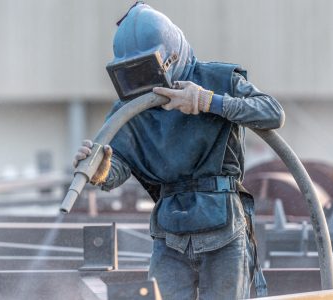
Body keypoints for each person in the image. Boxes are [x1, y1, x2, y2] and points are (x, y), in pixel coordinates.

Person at [73, 3, 284, 299]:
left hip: (223, 225)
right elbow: (120, 162)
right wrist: (102, 169)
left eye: (147, 71)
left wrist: (208, 101)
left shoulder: (218, 81)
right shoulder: (131, 108)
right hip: (170, 231)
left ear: (170, 58)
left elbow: (272, 112)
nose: (144, 85)